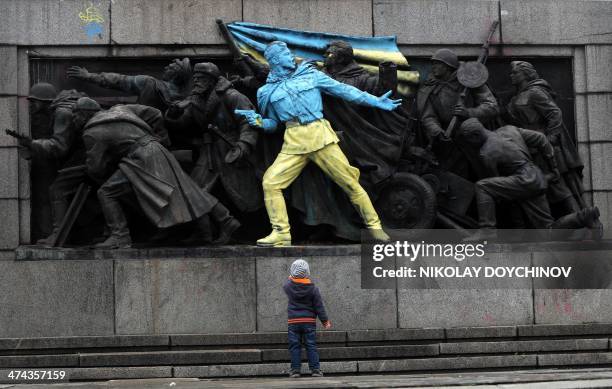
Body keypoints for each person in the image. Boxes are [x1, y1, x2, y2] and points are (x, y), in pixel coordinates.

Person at [236, 41, 401, 247]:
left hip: (320, 136)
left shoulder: (310, 74)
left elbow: (344, 91)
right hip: (294, 141)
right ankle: (281, 233)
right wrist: (259, 122)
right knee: (271, 183)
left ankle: (375, 229)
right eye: (286, 54)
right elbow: (273, 124)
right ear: (275, 60)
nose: (291, 56)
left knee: (350, 182)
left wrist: (376, 101)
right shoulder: (265, 92)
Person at [73, 98, 240, 248]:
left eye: (75, 115)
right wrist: (161, 138)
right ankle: (225, 221)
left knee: (106, 192)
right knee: (187, 190)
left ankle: (120, 236)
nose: (73, 119)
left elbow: (95, 169)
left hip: (139, 159)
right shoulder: (120, 109)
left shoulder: (92, 131)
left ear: (85, 114)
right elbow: (155, 114)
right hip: (157, 150)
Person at [457, 118, 601, 241]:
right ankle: (585, 216)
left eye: (469, 141)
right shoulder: (509, 129)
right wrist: (553, 167)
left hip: (524, 181)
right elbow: (542, 139)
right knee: (548, 231)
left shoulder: (486, 154)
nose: (470, 145)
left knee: (482, 186)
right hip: (537, 177)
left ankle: (487, 229)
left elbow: (497, 187)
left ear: (475, 135)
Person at [165, 62, 262, 214]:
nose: (196, 81)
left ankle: (255, 227)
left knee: (245, 191)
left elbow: (249, 123)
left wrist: (244, 145)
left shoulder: (233, 96)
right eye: (195, 78)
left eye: (201, 78)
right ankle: (215, 227)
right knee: (196, 188)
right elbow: (182, 123)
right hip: (210, 151)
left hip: (231, 146)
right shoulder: (195, 100)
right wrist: (174, 113)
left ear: (212, 80)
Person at [503, 60, 585, 215]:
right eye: (510, 72)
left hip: (542, 145)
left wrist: (551, 137)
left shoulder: (535, 92)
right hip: (526, 146)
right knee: (540, 186)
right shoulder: (515, 98)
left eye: (515, 72)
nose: (511, 75)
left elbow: (554, 113)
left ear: (526, 73)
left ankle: (582, 220)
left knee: (557, 184)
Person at [417, 48, 499, 179]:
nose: (433, 67)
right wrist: (437, 131)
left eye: (438, 63)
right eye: (433, 63)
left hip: (473, 138)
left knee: (481, 174)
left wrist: (469, 113)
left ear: (449, 66)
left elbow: (492, 106)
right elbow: (428, 116)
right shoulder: (431, 87)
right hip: (447, 141)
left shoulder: (470, 79)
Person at [283, 259, 331, 378]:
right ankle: (315, 370)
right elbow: (319, 307)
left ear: (292, 272)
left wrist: (291, 277)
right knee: (311, 345)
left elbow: (286, 284)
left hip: (293, 322)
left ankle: (295, 370)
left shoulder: (289, 286)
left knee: (294, 346)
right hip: (309, 322)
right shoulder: (313, 289)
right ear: (307, 272)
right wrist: (325, 321)